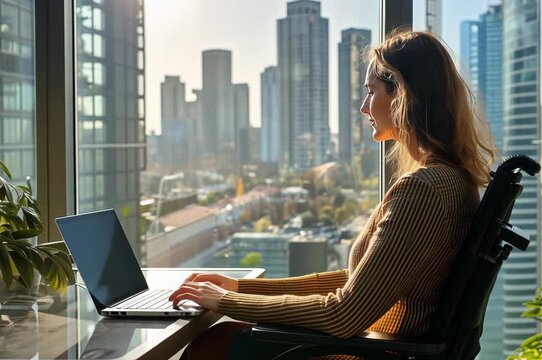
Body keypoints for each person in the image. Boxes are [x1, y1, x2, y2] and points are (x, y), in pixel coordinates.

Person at [169, 30, 496, 359]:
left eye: (371, 92)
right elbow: (359, 280)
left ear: (403, 95)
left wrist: (226, 302)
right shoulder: (453, 181)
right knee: (226, 336)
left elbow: (343, 314)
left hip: (372, 352)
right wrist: (240, 288)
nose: (363, 107)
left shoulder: (423, 190)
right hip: (382, 347)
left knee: (215, 346)